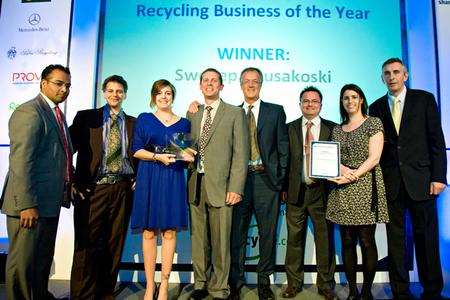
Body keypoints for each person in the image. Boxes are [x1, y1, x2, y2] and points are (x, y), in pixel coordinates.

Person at [369, 58, 447, 300]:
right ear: (382, 78)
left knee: (427, 238)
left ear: (406, 74)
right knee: (395, 240)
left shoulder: (424, 99)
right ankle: (400, 290)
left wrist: (438, 176)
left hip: (423, 181)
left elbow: (436, 140)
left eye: (396, 72)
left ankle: (432, 290)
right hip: (391, 183)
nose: (391, 77)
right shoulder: (376, 107)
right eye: (386, 73)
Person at [1, 64, 73, 300]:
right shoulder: (30, 112)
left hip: (48, 202)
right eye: (59, 83)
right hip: (29, 205)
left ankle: (40, 296)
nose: (64, 89)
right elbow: (21, 163)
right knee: (22, 263)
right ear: (44, 83)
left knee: (41, 260)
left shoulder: (55, 113)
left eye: (68, 85)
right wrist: (26, 204)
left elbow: (57, 155)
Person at [69, 75, 137, 299]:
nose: (114, 95)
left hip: (122, 189)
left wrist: (138, 177)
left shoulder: (133, 123)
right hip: (93, 189)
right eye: (110, 90)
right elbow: (66, 147)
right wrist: (71, 180)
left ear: (125, 94)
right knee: (86, 245)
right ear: (103, 92)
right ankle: (82, 295)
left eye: (119, 91)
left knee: (114, 243)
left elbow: (141, 154)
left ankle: (105, 292)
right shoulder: (87, 118)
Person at [225, 67, 288, 300]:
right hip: (239, 182)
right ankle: (236, 282)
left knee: (268, 233)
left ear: (261, 84)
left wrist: (279, 181)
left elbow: (283, 148)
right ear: (241, 85)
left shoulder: (275, 111)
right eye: (247, 81)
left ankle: (264, 282)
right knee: (237, 235)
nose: (251, 85)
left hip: (266, 181)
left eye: (255, 81)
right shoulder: (231, 113)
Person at [187, 68, 248, 300]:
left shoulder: (234, 113)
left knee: (222, 241)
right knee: (199, 239)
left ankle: (220, 287)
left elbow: (241, 155)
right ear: (200, 85)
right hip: (195, 184)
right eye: (205, 80)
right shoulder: (193, 112)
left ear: (221, 86)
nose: (209, 84)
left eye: (214, 80)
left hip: (223, 188)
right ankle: (200, 283)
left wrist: (236, 187)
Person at [130, 79, 193, 300]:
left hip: (172, 178)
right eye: (159, 93)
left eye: (168, 93)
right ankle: (150, 285)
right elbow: (136, 150)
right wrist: (157, 156)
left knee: (169, 232)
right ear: (153, 96)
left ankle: (164, 284)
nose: (164, 97)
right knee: (148, 233)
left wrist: (187, 155)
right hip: (149, 175)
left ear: (173, 96)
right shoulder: (144, 119)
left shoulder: (184, 123)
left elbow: (181, 153)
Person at [326, 84, 389, 300]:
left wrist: (354, 174)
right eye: (345, 98)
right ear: (342, 102)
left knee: (367, 241)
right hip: (342, 188)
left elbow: (375, 158)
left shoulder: (373, 123)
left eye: (354, 97)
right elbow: (334, 158)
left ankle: (367, 291)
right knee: (346, 241)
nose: (350, 101)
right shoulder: (337, 129)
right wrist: (345, 172)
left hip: (365, 186)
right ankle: (353, 290)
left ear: (361, 99)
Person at [281, 86, 337, 300]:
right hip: (296, 192)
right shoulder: (289, 128)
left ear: (321, 105)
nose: (310, 104)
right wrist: (284, 188)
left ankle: (326, 285)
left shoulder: (333, 128)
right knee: (294, 240)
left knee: (325, 240)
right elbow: (284, 161)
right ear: (300, 104)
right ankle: (293, 284)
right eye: (306, 101)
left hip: (323, 193)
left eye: (314, 101)